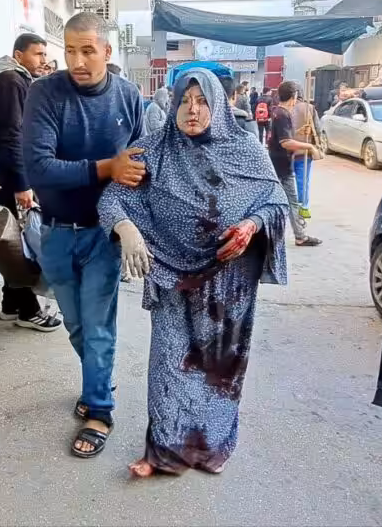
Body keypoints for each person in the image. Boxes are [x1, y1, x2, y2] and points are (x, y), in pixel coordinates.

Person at [96, 69, 289, 477]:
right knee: (170, 362)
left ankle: (209, 447)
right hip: (171, 273)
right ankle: (162, 453)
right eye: (185, 100)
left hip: (230, 280)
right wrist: (125, 227)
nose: (192, 109)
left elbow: (276, 202)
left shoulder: (245, 148)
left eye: (202, 101)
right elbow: (111, 198)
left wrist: (252, 225)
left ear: (218, 105)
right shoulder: (153, 149)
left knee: (220, 367)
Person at [22, 12, 145, 458]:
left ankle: (99, 409)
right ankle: (100, 374)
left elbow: (142, 165)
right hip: (54, 233)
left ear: (107, 52)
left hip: (102, 236)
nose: (77, 59)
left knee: (96, 328)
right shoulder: (44, 94)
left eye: (88, 50)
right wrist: (104, 168)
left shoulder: (128, 97)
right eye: (70, 50)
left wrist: (132, 225)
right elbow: (39, 169)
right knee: (76, 326)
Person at [0, 33, 62, 332]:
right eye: (38, 54)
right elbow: (11, 136)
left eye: (45, 54)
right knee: (24, 245)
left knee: (13, 241)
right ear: (18, 55)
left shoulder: (19, 81)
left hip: (14, 175)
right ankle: (28, 311)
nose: (44, 60)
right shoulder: (10, 82)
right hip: (13, 177)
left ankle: (10, 303)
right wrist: (21, 184)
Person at [269, 81, 323, 247]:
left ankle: (282, 233)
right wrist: (309, 146)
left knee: (278, 200)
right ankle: (300, 236)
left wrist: (302, 133)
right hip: (282, 166)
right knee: (292, 201)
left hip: (277, 162)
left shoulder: (277, 112)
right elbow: (285, 142)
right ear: (293, 96)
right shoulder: (283, 114)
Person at [291, 90, 322, 219]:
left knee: (285, 180)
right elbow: (318, 129)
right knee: (303, 180)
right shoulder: (309, 108)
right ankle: (303, 208)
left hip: (287, 151)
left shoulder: (283, 109)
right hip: (304, 152)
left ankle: (290, 206)